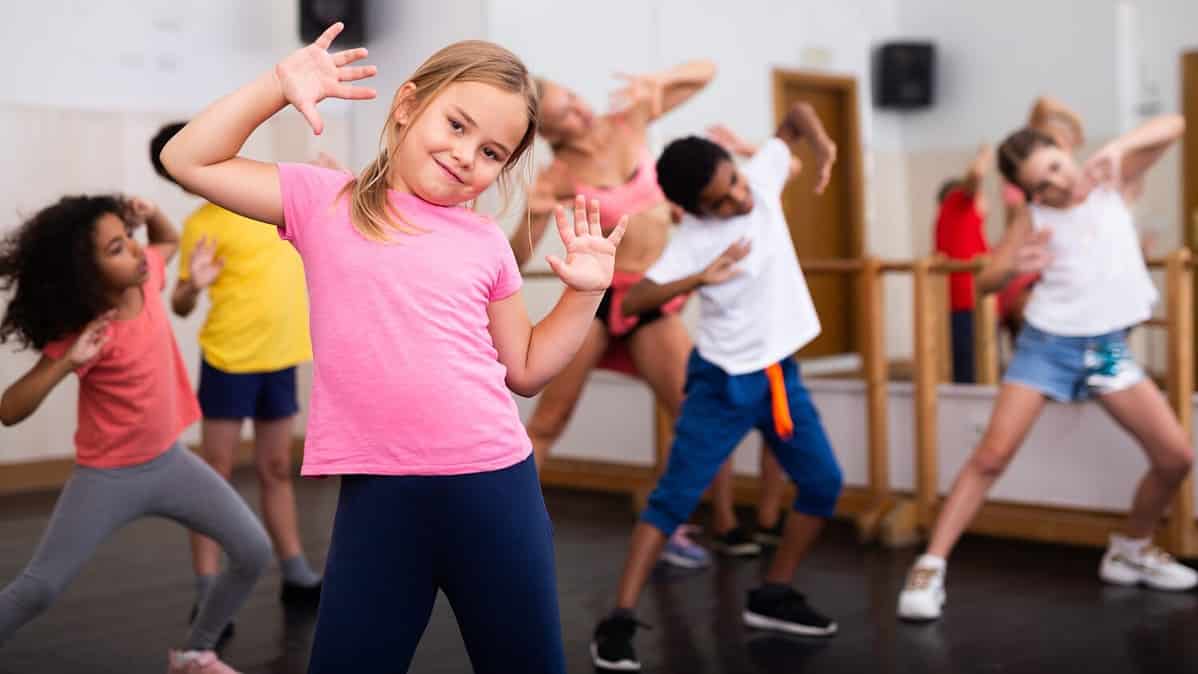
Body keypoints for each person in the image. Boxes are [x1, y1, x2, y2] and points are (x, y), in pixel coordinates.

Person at [160, 24, 625, 674]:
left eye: (492, 151)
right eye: (457, 125)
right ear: (407, 104)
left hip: (495, 491)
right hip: (378, 500)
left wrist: (583, 296)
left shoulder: (487, 242)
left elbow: (525, 368)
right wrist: (276, 85)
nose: (468, 155)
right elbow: (189, 161)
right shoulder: (326, 202)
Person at [897, 114, 1195, 623]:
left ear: (1066, 151)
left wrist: (1115, 147)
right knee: (991, 457)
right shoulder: (1032, 217)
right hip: (1047, 347)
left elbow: (1176, 123)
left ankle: (1132, 547)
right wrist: (1012, 267)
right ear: (1027, 192)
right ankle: (929, 566)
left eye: (1056, 168)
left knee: (1175, 458)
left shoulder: (1114, 180)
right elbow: (986, 281)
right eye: (1041, 184)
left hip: (1107, 351)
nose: (1056, 185)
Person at [590, 103, 842, 671]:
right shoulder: (696, 240)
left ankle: (773, 594)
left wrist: (822, 144)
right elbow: (633, 301)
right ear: (695, 210)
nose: (735, 201)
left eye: (731, 185)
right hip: (722, 384)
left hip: (781, 376)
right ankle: (620, 618)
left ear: (734, 165)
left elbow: (797, 116)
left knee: (823, 486)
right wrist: (701, 277)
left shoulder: (762, 176)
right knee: (674, 499)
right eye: (718, 202)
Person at [0, 194, 272, 673]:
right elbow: (9, 409)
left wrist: (150, 217)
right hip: (106, 478)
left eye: (127, 239)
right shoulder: (88, 331)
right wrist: (68, 362)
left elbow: (167, 239)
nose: (133, 249)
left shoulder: (147, 275)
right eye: (116, 249)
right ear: (86, 273)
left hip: (171, 463)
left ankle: (195, 654)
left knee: (252, 550)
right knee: (40, 588)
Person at [150, 124, 322, 634]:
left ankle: (295, 571)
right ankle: (209, 587)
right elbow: (180, 304)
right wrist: (192, 286)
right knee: (216, 473)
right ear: (182, 180)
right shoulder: (202, 223)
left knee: (275, 467)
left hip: (280, 358)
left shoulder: (273, 199)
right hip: (228, 358)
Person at [934, 144, 994, 383]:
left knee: (971, 368)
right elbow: (976, 176)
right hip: (967, 305)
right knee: (972, 373)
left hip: (967, 305)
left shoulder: (957, 220)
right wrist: (984, 156)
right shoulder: (959, 206)